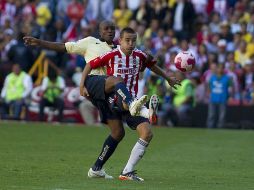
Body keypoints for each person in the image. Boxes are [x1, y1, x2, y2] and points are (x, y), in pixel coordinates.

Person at [23, 21, 151, 179]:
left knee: (118, 133)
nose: (110, 31)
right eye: (106, 29)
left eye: (112, 29)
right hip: (96, 83)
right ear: (99, 31)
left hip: (112, 94)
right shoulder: (90, 42)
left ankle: (96, 169)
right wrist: (39, 42)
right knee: (116, 80)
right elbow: (64, 47)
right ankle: (137, 107)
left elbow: (142, 64)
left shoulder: (121, 49)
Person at [82, 27, 181, 181]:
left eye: (133, 40)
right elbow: (90, 65)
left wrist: (167, 77)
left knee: (145, 133)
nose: (130, 43)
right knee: (122, 92)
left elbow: (152, 65)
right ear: (120, 41)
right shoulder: (111, 55)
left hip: (133, 100)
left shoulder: (140, 56)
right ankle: (145, 111)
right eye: (127, 40)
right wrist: (82, 86)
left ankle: (123, 171)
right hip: (113, 98)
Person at [206, 64, 233, 128]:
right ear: (216, 69)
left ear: (223, 69)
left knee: (222, 115)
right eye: (218, 68)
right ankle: (210, 127)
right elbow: (209, 87)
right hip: (213, 98)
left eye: (221, 68)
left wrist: (229, 97)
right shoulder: (212, 77)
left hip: (223, 98)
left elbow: (230, 89)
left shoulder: (227, 78)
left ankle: (220, 127)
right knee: (211, 115)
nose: (220, 70)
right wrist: (209, 94)